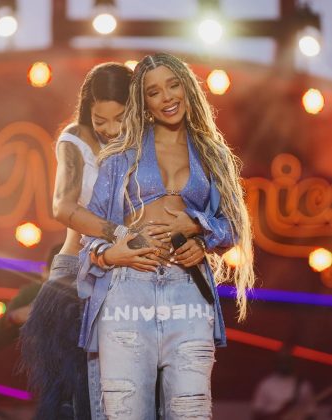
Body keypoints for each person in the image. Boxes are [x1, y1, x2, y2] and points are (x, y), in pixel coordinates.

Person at [77, 52, 255, 419]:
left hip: (187, 293)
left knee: (191, 413)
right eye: (154, 92)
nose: (167, 97)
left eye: (173, 85)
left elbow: (234, 226)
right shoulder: (121, 156)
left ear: (188, 89)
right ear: (144, 102)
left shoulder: (214, 155)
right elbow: (89, 236)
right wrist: (114, 255)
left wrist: (199, 230)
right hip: (127, 290)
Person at [20, 62, 164, 420]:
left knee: (135, 395)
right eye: (101, 120)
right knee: (76, 398)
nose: (111, 130)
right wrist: (119, 234)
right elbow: (62, 206)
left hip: (133, 277)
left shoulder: (149, 142)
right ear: (88, 109)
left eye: (120, 119)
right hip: (76, 278)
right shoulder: (75, 139)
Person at [251, 348, 316, 420]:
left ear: (292, 363)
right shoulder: (266, 384)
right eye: (282, 361)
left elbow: (311, 412)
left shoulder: (304, 385)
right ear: (276, 363)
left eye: (287, 361)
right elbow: (256, 413)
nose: (284, 364)